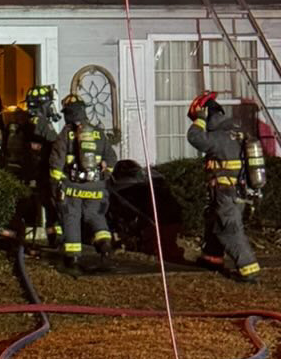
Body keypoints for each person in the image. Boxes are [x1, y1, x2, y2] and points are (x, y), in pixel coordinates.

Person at [186, 92, 263, 283]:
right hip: (233, 191)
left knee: (229, 229)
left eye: (200, 116)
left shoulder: (220, 136)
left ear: (207, 114)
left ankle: (249, 270)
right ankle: (212, 258)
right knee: (214, 223)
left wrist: (199, 121)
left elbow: (195, 138)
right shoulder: (236, 131)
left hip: (226, 193)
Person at [49, 94, 116, 274]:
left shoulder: (66, 134)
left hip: (73, 187)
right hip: (96, 187)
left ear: (68, 114)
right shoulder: (98, 132)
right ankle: (105, 249)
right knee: (95, 216)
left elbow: (56, 161)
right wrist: (105, 174)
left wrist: (55, 184)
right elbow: (111, 158)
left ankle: (72, 259)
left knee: (71, 218)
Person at [0, 85, 61, 248]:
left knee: (22, 203)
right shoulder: (40, 124)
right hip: (38, 173)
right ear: (43, 105)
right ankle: (55, 238)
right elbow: (53, 147)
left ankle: (12, 234)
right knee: (49, 204)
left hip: (22, 171)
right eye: (49, 105)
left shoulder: (23, 121)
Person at [108, 159, 186, 264]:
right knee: (168, 250)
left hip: (155, 224)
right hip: (171, 220)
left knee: (161, 252)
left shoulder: (128, 190)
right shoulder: (153, 183)